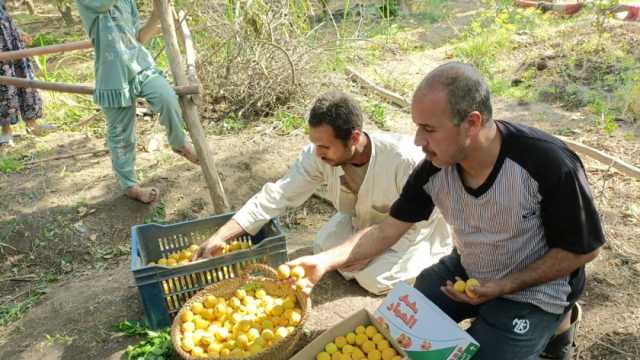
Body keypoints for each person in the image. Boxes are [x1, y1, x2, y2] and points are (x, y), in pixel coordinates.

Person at [289, 63, 605, 359]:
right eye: (416, 127)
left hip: (535, 288)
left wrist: (504, 286)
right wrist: (324, 261)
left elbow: (582, 250)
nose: (417, 140)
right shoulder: (434, 169)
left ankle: (559, 325)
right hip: (473, 267)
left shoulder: (548, 164)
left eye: (428, 129)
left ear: (472, 123)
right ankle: (498, 321)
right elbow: (388, 230)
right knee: (403, 320)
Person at [193, 90, 453, 295]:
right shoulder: (319, 155)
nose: (318, 153)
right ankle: (358, 252)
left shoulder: (404, 160)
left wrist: (372, 251)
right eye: (315, 144)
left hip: (411, 230)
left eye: (325, 146)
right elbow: (278, 195)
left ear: (354, 138)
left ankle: (427, 259)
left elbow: (420, 217)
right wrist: (222, 235)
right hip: (360, 222)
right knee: (322, 244)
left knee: (372, 279)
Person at [76, 0, 199, 203]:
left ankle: (179, 143)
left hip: (140, 68)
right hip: (113, 77)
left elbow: (138, 38)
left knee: (167, 97)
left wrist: (156, 15)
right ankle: (130, 186)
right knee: (121, 136)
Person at [0, 0, 44, 146]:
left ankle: (31, 123)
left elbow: (3, 13)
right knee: (3, 85)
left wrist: (17, 31)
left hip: (8, 36)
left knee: (23, 78)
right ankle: (6, 131)